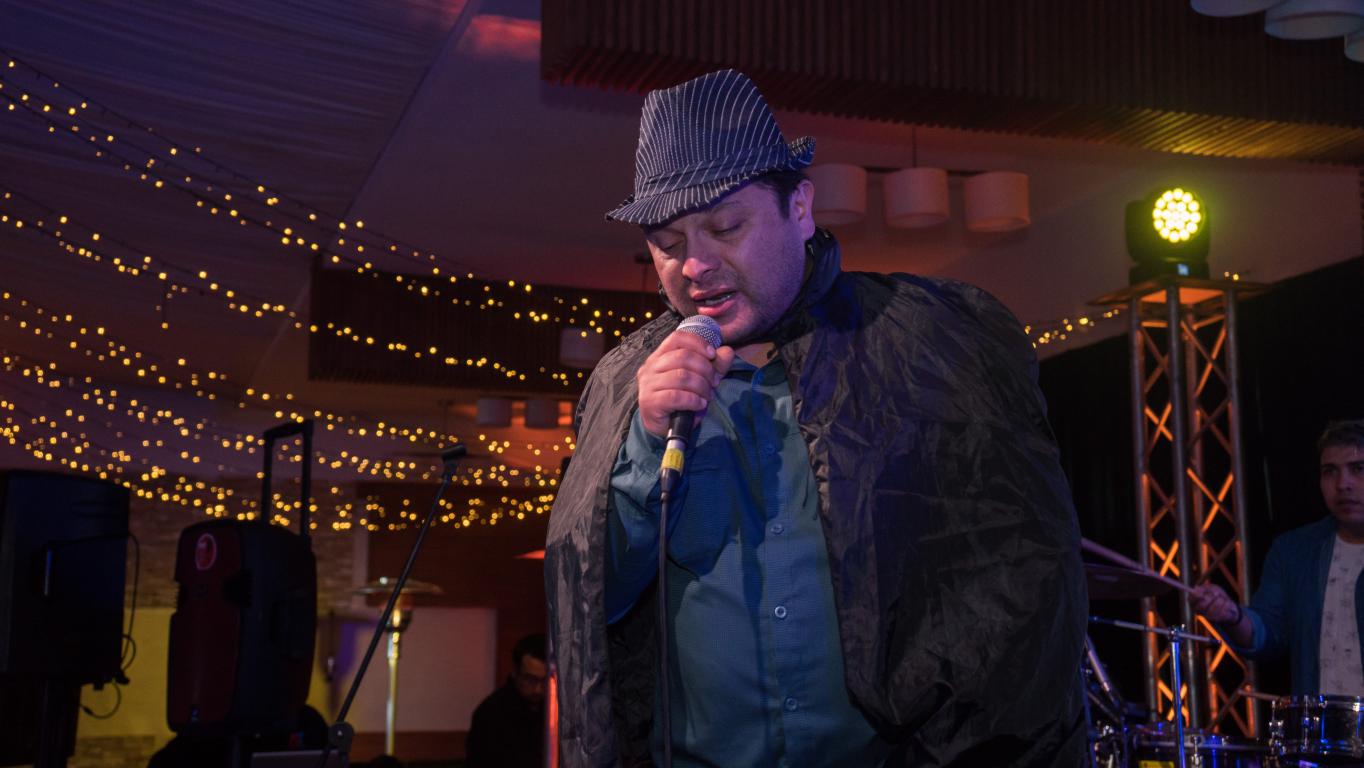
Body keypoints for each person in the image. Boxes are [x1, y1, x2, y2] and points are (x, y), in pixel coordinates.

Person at [544, 69, 1088, 767]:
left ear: (800, 209)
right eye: (668, 242)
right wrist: (645, 446)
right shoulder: (625, 383)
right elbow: (593, 606)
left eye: (725, 226)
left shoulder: (926, 343)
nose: (695, 264)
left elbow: (1019, 588)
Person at [1192, 419, 1364, 696]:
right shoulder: (1295, 551)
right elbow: (1268, 633)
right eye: (1330, 471)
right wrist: (1232, 615)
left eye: (1358, 469)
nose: (1343, 484)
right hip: (1322, 722)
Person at [464, 633, 547, 768]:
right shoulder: (491, 714)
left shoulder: (555, 710)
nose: (538, 689)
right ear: (515, 672)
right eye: (530, 679)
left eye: (545, 681)